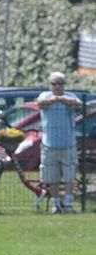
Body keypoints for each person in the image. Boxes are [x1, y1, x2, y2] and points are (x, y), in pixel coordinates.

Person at [36, 71, 83, 213]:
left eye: (60, 83)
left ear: (65, 84)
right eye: (54, 84)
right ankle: (55, 204)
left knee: (69, 177)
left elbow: (77, 105)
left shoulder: (71, 97)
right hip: (49, 145)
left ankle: (68, 205)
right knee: (51, 177)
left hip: (68, 144)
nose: (57, 86)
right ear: (50, 85)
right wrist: (57, 99)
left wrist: (64, 100)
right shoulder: (45, 96)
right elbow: (41, 104)